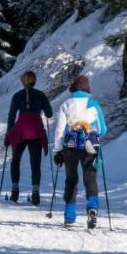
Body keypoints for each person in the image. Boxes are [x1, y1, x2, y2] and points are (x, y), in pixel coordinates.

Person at [51, 75, 109, 229]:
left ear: (74, 88)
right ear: (87, 88)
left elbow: (59, 131)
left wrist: (57, 151)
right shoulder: (93, 104)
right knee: (90, 176)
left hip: (70, 145)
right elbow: (103, 130)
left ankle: (70, 215)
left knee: (71, 179)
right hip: (90, 144)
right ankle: (92, 207)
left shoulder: (66, 104)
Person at [5, 71, 53, 204]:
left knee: (15, 161)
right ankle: (35, 194)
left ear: (23, 81)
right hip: (36, 131)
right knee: (35, 163)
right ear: (35, 81)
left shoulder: (17, 96)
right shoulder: (41, 95)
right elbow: (49, 114)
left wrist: (9, 133)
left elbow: (11, 116)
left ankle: (14, 193)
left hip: (20, 131)